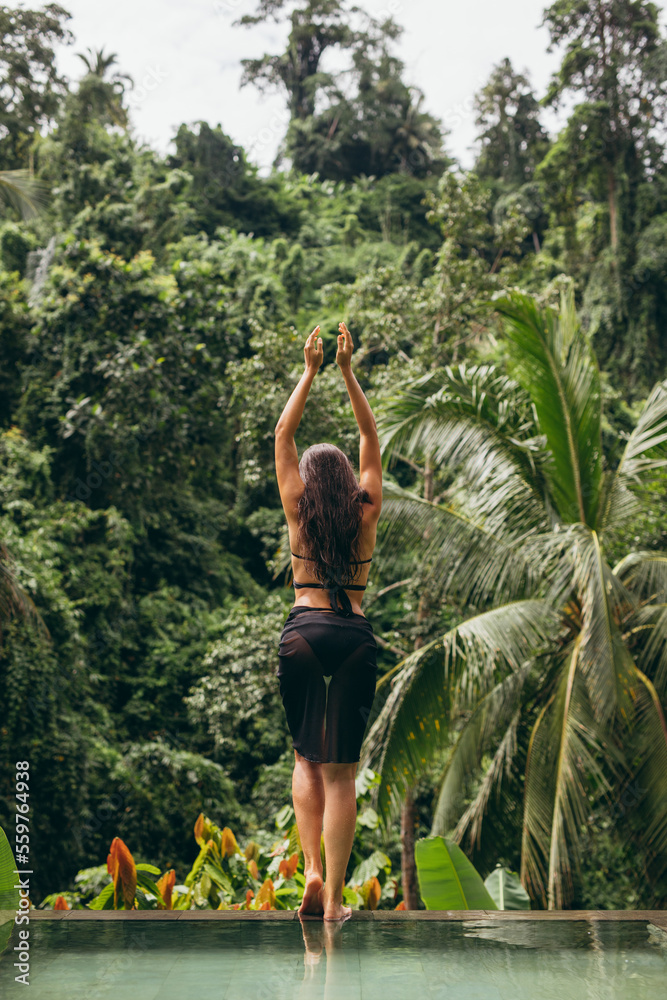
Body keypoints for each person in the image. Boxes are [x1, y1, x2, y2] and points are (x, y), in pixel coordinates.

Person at [274, 321, 382, 922]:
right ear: (348, 483)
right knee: (342, 772)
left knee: (304, 759)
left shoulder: (297, 509)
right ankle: (335, 899)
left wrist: (310, 371)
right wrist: (347, 371)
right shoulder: (366, 511)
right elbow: (369, 434)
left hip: (303, 632)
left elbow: (283, 433)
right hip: (353, 638)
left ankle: (309, 871)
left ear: (311, 485)